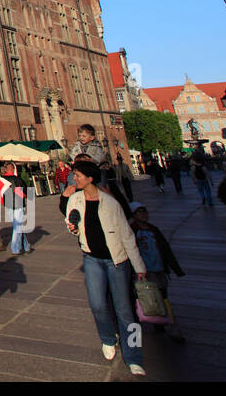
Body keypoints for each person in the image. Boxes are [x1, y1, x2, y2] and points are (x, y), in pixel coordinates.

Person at [63, 159, 147, 376]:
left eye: (78, 176)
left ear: (90, 178)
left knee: (125, 311)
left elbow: (127, 236)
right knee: (98, 305)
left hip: (117, 261)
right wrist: (72, 228)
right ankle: (108, 338)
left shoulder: (110, 203)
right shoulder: (75, 199)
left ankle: (134, 356)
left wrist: (139, 267)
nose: (74, 179)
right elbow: (72, 225)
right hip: (91, 259)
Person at [129, 202, 185, 343]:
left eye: (144, 211)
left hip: (159, 269)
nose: (143, 215)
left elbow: (165, 249)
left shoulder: (154, 230)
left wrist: (175, 268)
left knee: (163, 297)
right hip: (145, 271)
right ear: (133, 215)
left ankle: (164, 322)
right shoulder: (132, 231)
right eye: (139, 212)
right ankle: (158, 322)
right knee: (150, 297)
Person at [0, 163, 31, 254]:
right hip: (18, 204)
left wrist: (5, 203)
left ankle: (26, 246)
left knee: (17, 226)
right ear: (13, 169)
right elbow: (25, 192)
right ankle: (15, 248)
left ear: (5, 169)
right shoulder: (18, 180)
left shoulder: (0, 181)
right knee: (17, 226)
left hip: (8, 204)